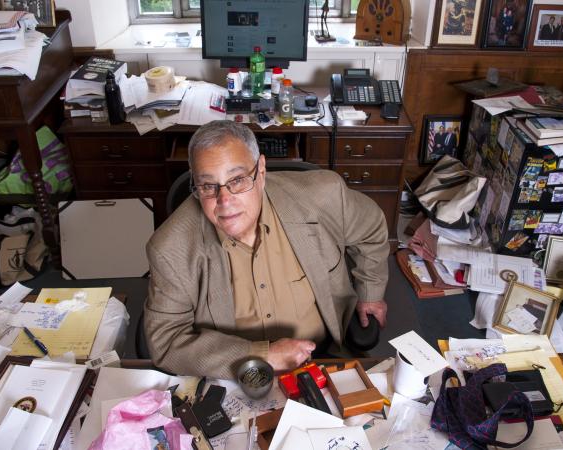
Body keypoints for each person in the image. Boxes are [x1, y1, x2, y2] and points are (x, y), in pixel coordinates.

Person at [143, 120, 389, 379]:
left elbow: (371, 228)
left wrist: (370, 292)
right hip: (234, 377)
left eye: (237, 180)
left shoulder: (324, 195)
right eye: (208, 186)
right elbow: (166, 341)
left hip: (325, 359)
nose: (224, 201)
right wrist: (261, 356)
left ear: (260, 171)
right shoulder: (170, 248)